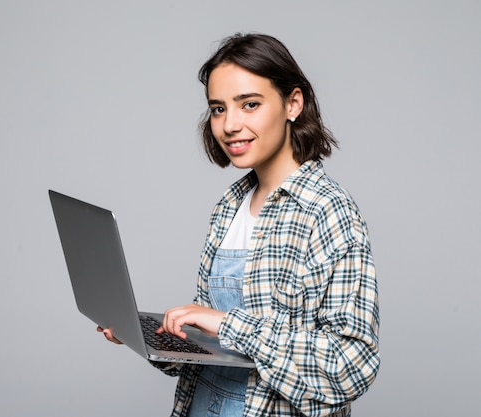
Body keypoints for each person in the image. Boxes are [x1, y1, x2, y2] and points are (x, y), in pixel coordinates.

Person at [99, 33, 379, 417]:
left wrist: (229, 325)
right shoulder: (230, 206)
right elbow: (218, 351)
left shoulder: (327, 211)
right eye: (218, 109)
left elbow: (351, 367)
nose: (230, 124)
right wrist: (150, 339)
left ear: (292, 103)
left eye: (249, 104)